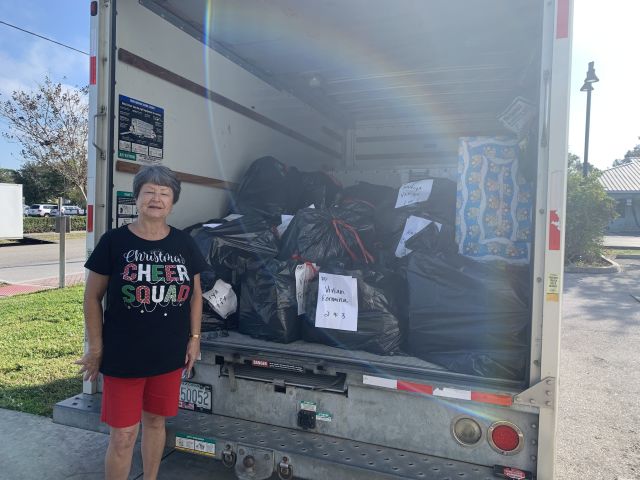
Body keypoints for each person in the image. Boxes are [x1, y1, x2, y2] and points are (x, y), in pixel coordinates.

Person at [76, 165, 208, 480]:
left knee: (156, 423)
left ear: (173, 201)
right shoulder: (114, 242)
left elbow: (196, 296)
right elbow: (91, 298)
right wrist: (96, 349)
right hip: (124, 357)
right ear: (136, 197)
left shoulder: (184, 244)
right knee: (122, 435)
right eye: (149, 191)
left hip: (167, 356)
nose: (156, 199)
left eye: (164, 193)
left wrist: (194, 338)